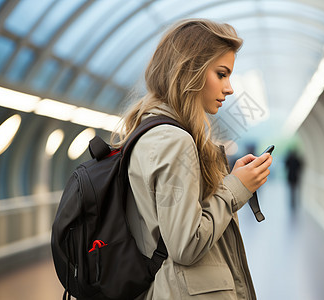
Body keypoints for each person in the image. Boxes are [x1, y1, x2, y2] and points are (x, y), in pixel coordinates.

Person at [111, 19, 272, 299]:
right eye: (221, 74)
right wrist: (236, 188)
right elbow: (186, 243)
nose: (230, 88)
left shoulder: (151, 132)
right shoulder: (175, 141)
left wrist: (232, 179)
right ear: (190, 72)